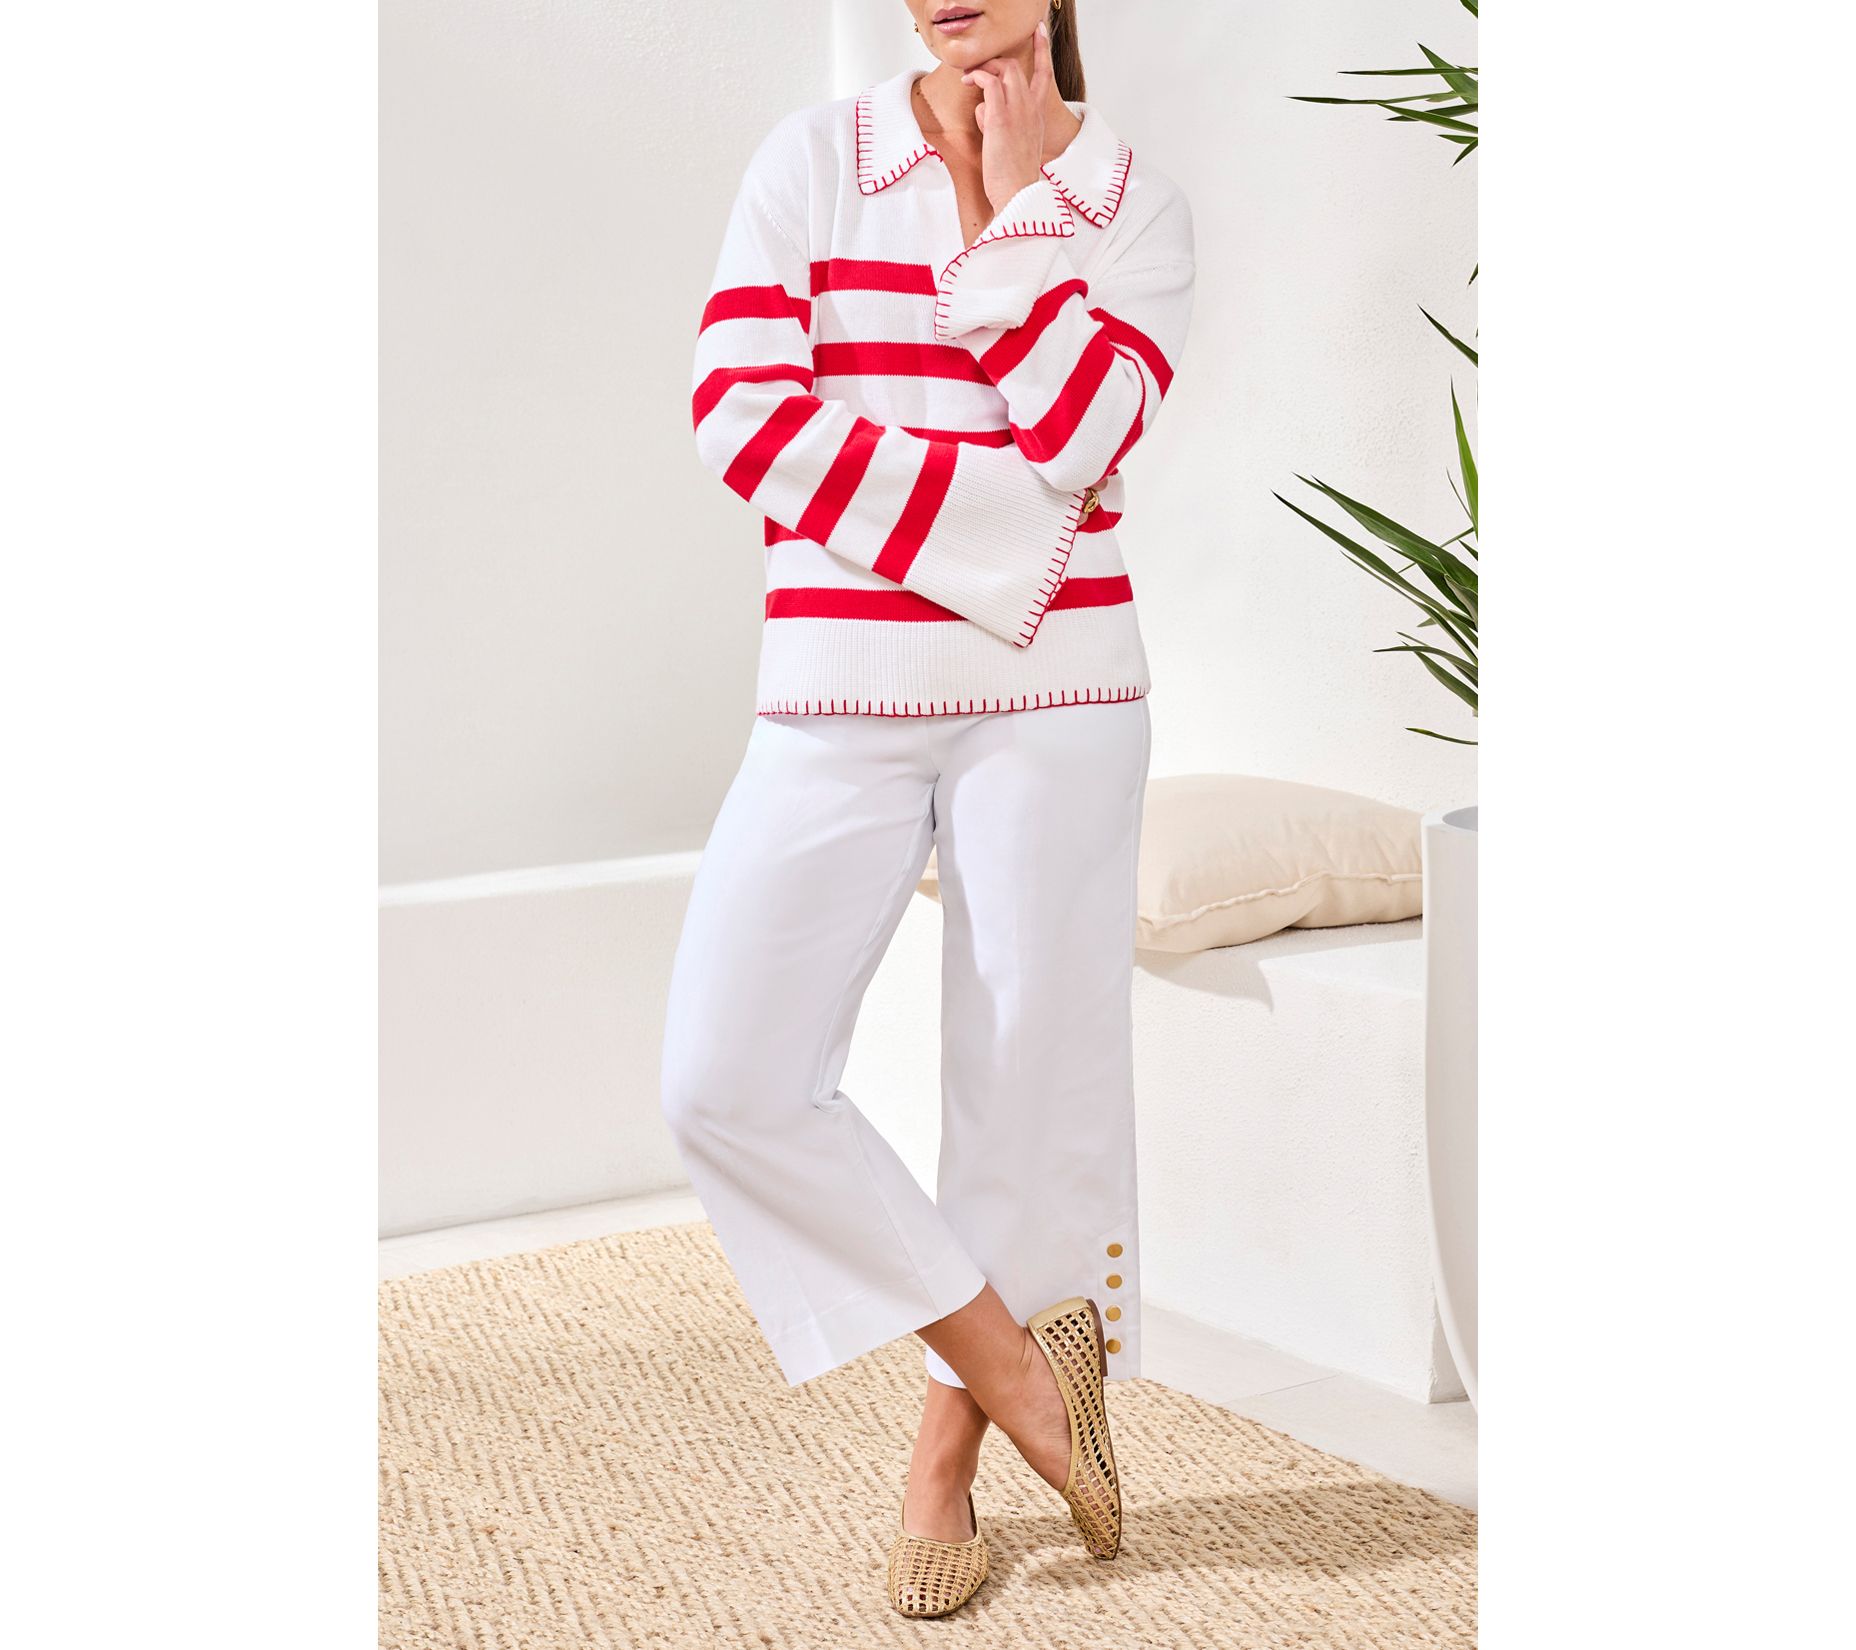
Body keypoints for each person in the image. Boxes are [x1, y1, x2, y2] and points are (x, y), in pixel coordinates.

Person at [661, 0, 1194, 1617]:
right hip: (840, 691)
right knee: (726, 1079)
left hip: (1066, 706)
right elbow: (738, 412)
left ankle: (945, 1457)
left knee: (1026, 1089)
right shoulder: (815, 163)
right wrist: (1014, 542)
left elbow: (1090, 431)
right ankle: (1020, 1366)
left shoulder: (1128, 205)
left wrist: (1021, 219)